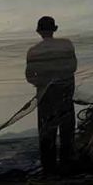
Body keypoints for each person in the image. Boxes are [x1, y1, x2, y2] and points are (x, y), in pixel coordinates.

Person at [25, 16, 78, 176]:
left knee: (46, 129)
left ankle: (49, 169)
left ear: (39, 31)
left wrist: (43, 81)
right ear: (54, 29)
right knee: (67, 129)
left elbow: (29, 76)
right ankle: (67, 166)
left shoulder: (33, 51)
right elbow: (73, 67)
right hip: (65, 92)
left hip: (45, 96)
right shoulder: (66, 44)